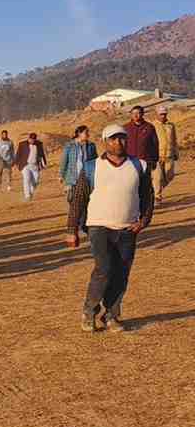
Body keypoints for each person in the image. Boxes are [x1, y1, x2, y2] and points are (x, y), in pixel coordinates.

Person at [67, 124, 154, 332]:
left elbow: (147, 196)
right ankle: (89, 312)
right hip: (99, 226)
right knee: (104, 269)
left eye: (122, 138)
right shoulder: (92, 167)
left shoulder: (139, 166)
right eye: (113, 139)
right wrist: (71, 230)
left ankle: (111, 315)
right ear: (105, 142)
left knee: (121, 273)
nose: (118, 142)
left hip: (127, 228)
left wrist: (143, 221)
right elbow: (78, 199)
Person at [59, 126, 98, 208]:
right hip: (72, 178)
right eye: (86, 132)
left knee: (87, 201)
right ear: (79, 133)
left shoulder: (91, 146)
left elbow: (95, 161)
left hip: (87, 178)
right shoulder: (69, 146)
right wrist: (61, 175)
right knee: (72, 200)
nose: (88, 134)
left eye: (88, 132)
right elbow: (64, 161)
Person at [123, 105, 159, 175]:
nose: (135, 115)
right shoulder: (126, 128)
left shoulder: (149, 127)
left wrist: (155, 160)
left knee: (145, 181)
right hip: (130, 162)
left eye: (138, 113)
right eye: (133, 113)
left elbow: (155, 144)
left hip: (146, 161)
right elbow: (122, 145)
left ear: (142, 114)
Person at [153, 106, 179, 202]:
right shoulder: (152, 125)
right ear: (156, 114)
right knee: (158, 177)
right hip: (157, 156)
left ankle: (155, 190)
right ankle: (157, 196)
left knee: (170, 175)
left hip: (169, 155)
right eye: (161, 114)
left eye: (164, 114)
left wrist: (176, 152)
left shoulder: (171, 126)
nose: (163, 116)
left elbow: (174, 140)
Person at [15, 133, 48, 201]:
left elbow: (42, 154)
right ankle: (27, 195)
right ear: (28, 138)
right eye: (31, 139)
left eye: (33, 139)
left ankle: (31, 192)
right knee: (26, 179)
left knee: (36, 180)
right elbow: (18, 154)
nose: (32, 141)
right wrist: (16, 163)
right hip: (25, 165)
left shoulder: (39, 144)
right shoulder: (22, 144)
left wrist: (44, 163)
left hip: (35, 165)